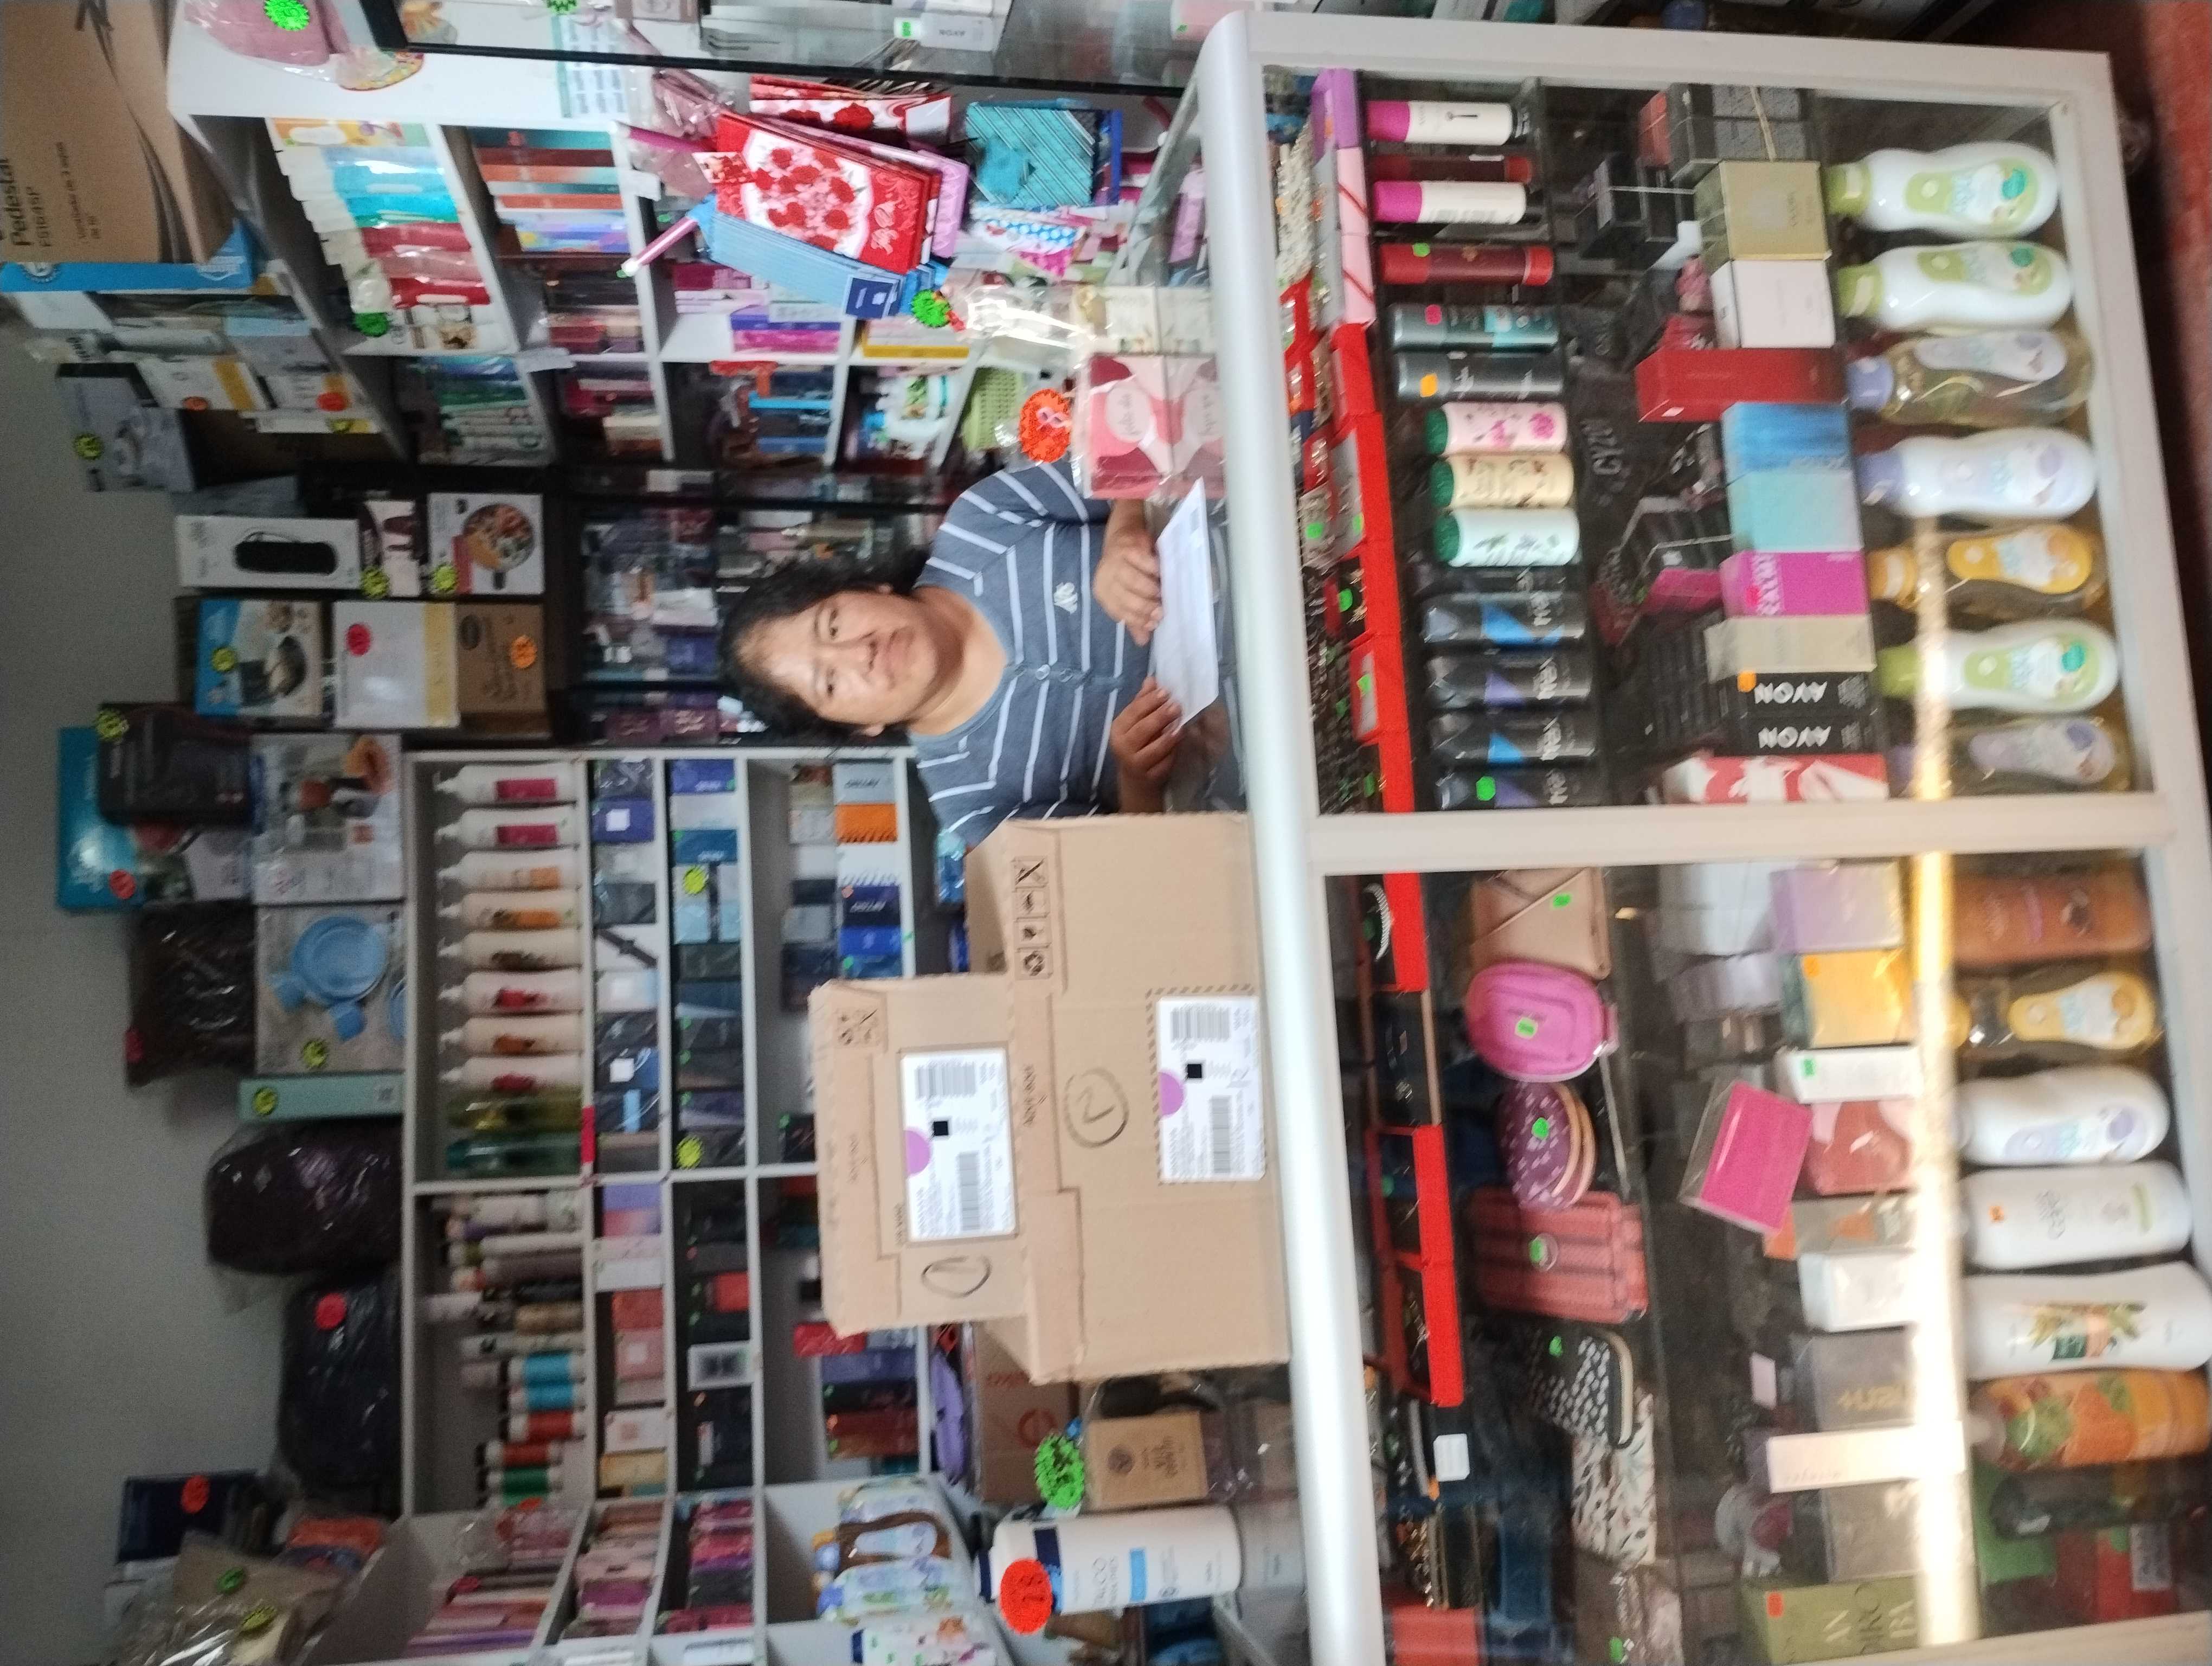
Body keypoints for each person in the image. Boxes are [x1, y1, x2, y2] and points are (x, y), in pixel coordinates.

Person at [723, 458, 1198, 848]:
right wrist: (1139, 783)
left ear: (866, 586)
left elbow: (1130, 454)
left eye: (833, 623)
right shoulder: (975, 805)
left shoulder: (982, 521)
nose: (858, 653)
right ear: (859, 728)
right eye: (829, 682)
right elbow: (1137, 879)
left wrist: (1124, 528)